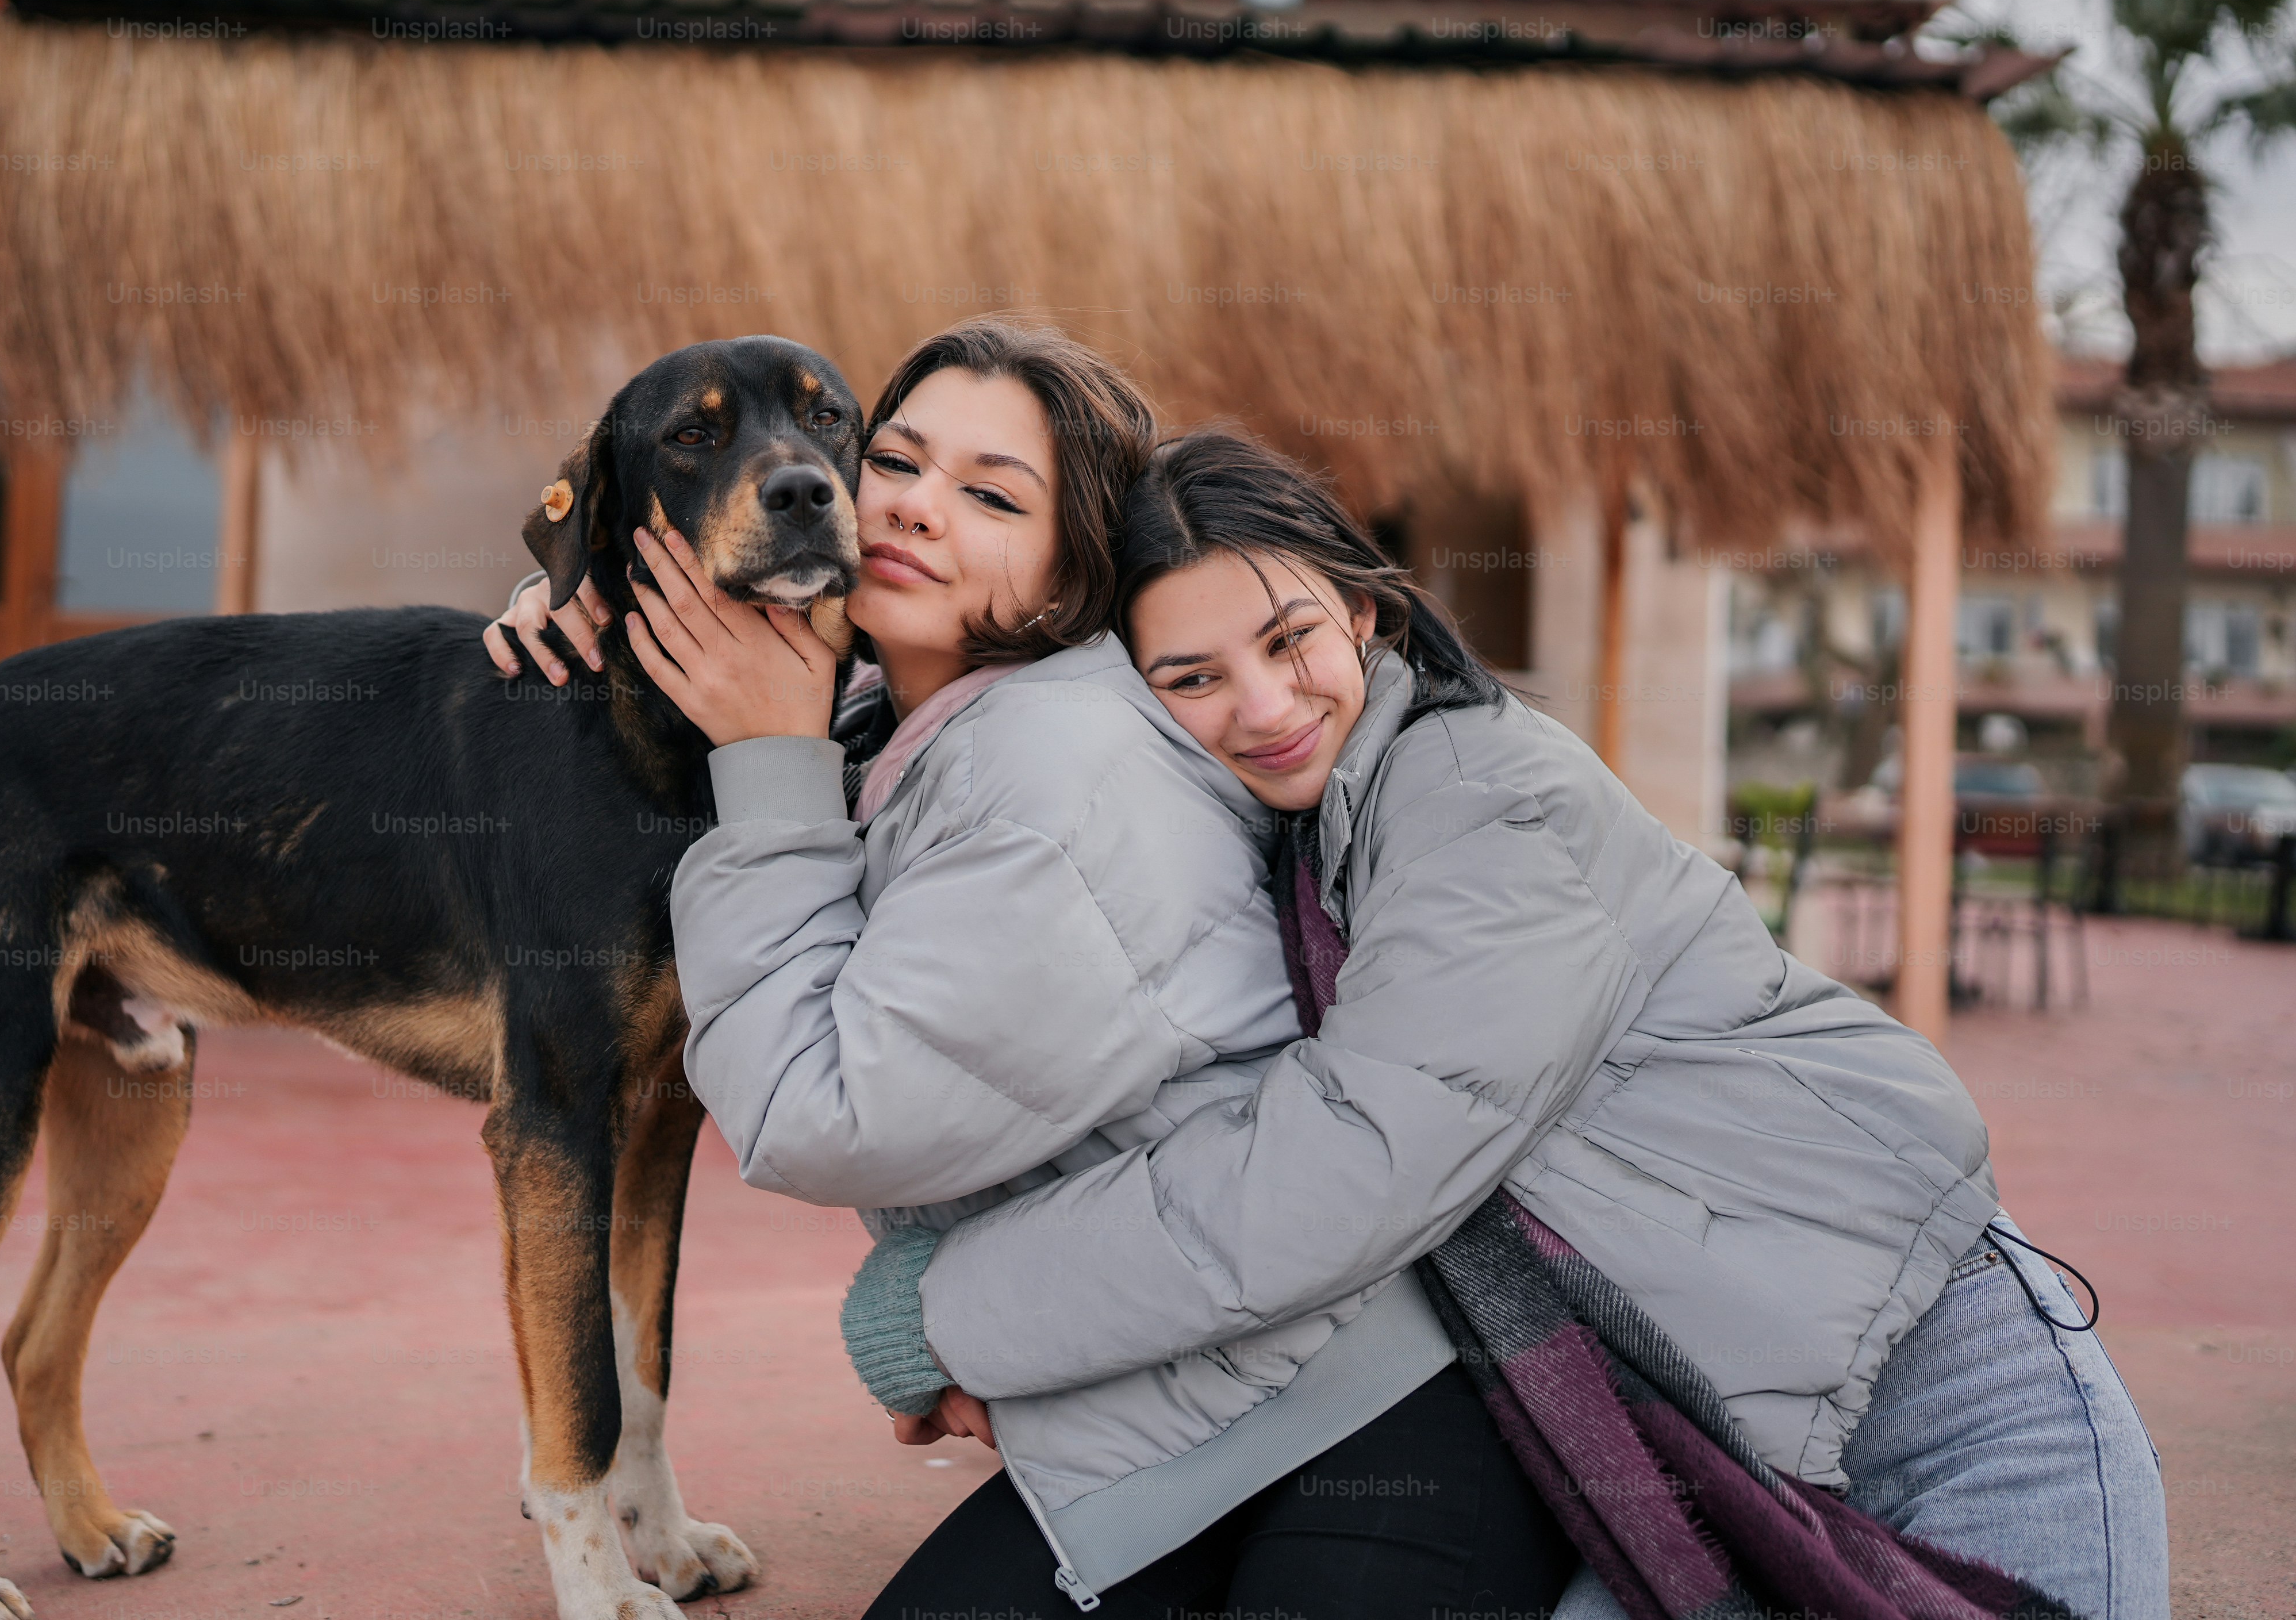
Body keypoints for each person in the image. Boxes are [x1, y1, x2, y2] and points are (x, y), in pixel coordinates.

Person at [869, 428, 2170, 1619]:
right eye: (1192, 677)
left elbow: (1341, 1168)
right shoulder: (1308, 835)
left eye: (1288, 639)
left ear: (1366, 610)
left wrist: (942, 1315)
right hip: (1692, 1426)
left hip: (1947, 1394)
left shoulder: (1479, 796)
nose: (1260, 708)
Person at [487, 328, 1579, 1615]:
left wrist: (765, 765)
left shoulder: (1056, 771)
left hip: (1368, 1402)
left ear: (1071, 577)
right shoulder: (890, 726)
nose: (906, 505)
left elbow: (813, 1121)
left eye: (994, 497)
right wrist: (582, 599)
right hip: (1162, 1401)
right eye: (894, 458)